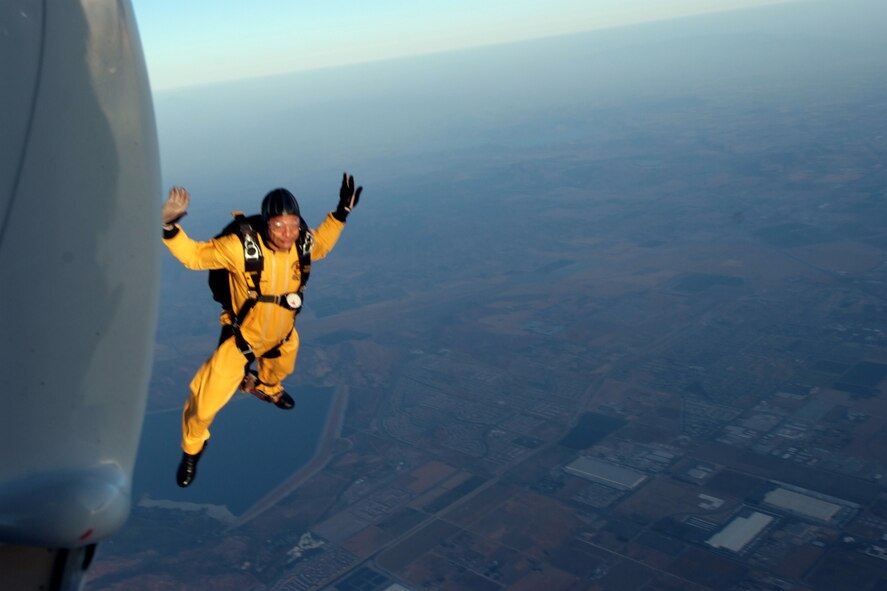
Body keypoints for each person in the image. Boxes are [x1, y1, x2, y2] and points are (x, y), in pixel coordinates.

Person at [160, 173, 362, 487]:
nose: (288, 233)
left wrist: (341, 213)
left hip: (282, 335)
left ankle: (266, 388)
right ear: (266, 223)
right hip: (243, 339)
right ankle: (192, 451)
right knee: (204, 403)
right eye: (280, 225)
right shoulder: (240, 248)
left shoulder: (302, 243)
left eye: (294, 224)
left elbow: (322, 243)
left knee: (281, 367)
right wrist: (170, 227)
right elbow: (195, 256)